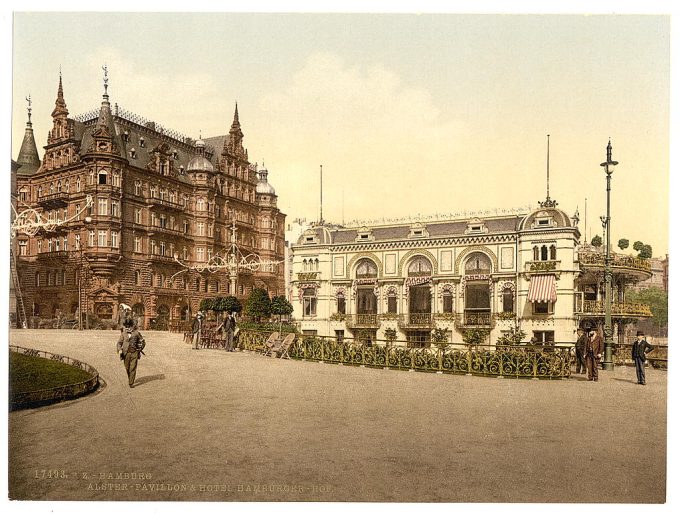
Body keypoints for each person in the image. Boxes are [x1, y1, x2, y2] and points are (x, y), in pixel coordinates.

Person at [116, 319, 146, 388]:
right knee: (127, 368)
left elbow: (143, 342)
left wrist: (140, 349)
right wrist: (119, 349)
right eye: (126, 327)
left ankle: (131, 383)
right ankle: (130, 378)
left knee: (132, 368)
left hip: (134, 353)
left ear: (132, 326)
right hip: (126, 353)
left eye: (129, 326)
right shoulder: (123, 333)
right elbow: (119, 343)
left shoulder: (137, 333)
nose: (128, 328)